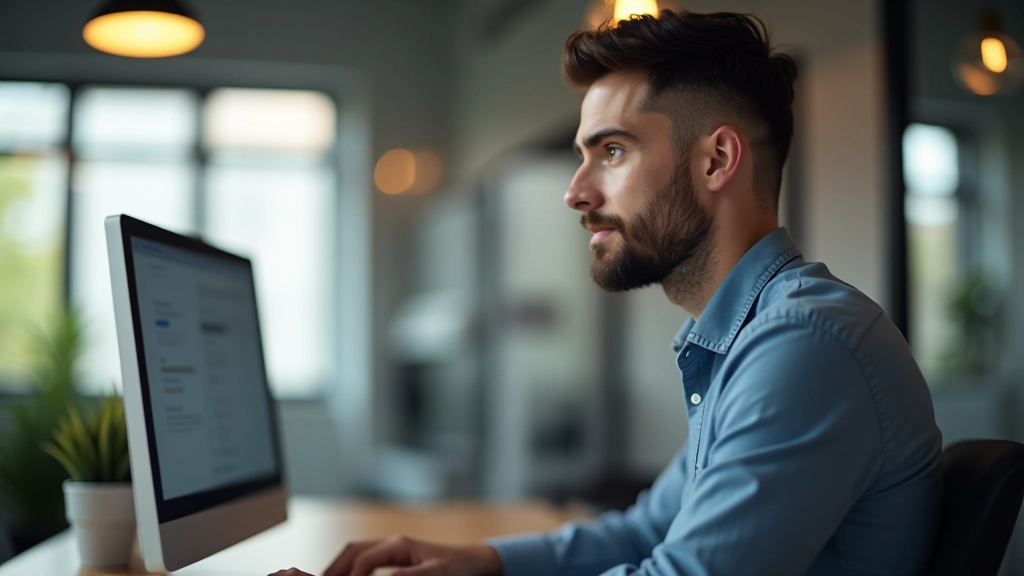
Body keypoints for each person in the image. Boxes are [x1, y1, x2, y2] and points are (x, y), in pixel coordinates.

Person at [273, 9, 943, 576]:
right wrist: (481, 562)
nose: (576, 192)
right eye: (582, 155)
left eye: (612, 151)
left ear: (717, 160)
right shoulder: (749, 339)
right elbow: (643, 531)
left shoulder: (805, 345)